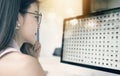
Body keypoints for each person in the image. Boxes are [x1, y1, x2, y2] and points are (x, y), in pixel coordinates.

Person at [0, 0, 45, 76]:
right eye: (36, 17)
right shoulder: (27, 66)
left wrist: (34, 59)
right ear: (17, 19)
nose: (38, 25)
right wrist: (34, 64)